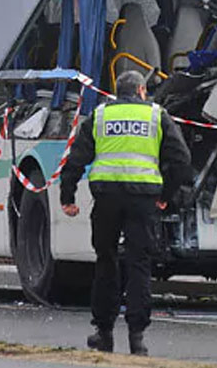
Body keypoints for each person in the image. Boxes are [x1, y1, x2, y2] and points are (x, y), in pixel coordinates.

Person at [60, 70, 191, 356]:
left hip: (106, 199)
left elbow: (76, 158)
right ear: (142, 90)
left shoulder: (100, 115)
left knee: (106, 261)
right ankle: (137, 336)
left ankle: (104, 332)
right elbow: (181, 161)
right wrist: (165, 196)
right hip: (143, 200)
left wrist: (67, 196)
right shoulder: (158, 116)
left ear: (118, 92)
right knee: (139, 264)